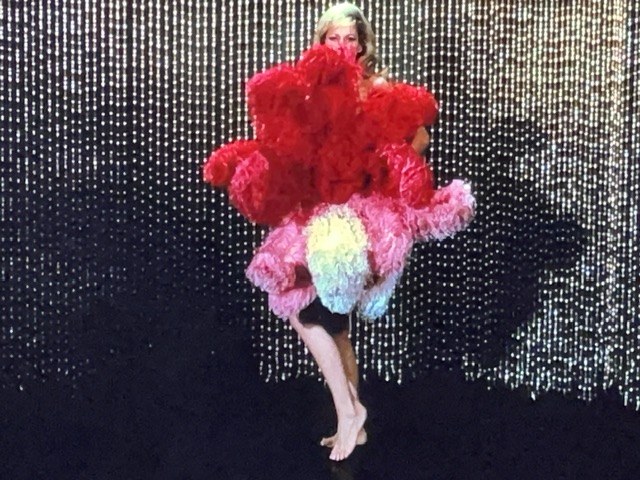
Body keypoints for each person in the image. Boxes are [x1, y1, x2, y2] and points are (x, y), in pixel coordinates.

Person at [288, 2, 431, 461]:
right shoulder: (311, 88)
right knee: (332, 321)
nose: (343, 46)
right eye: (334, 38)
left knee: (305, 311)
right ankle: (353, 422)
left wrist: (380, 167)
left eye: (351, 38)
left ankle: (350, 412)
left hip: (361, 216)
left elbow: (419, 137)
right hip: (321, 210)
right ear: (321, 41)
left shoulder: (377, 86)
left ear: (362, 44)